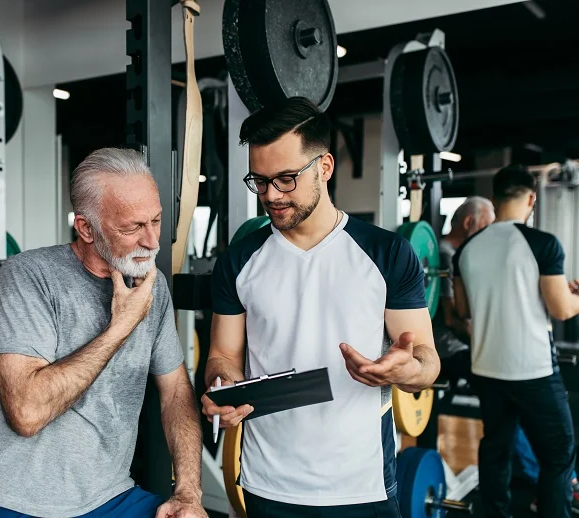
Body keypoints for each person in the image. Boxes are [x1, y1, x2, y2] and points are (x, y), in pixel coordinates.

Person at [200, 97, 440, 518]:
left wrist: (407, 371)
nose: (271, 195)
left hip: (361, 484)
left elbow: (427, 360)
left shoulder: (387, 253)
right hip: (268, 482)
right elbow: (223, 356)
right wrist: (223, 387)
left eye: (286, 178)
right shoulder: (239, 260)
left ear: (324, 167)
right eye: (259, 180)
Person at [0, 148, 207, 518]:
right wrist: (121, 326)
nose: (152, 241)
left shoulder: (150, 290)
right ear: (86, 228)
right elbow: (26, 413)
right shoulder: (28, 276)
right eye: (132, 227)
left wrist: (188, 491)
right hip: (19, 500)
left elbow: (174, 390)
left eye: (156, 221)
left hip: (110, 495)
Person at [452, 164, 579, 518]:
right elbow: (562, 309)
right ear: (532, 199)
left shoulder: (468, 250)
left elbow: (464, 310)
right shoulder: (542, 243)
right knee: (558, 452)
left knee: (496, 448)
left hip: (487, 368)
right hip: (532, 370)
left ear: (494, 199)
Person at [433, 196, 495, 382]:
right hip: (446, 347)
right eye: (485, 227)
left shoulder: (460, 257)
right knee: (496, 380)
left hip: (461, 344)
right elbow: (451, 319)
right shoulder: (445, 255)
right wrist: (485, 346)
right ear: (468, 222)